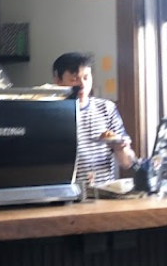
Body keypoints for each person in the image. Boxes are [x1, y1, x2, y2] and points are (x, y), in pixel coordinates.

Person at [52, 52, 135, 185]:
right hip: (66, 192)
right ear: (58, 81)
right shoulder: (51, 112)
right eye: (74, 79)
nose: (82, 84)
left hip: (104, 191)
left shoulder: (106, 108)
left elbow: (127, 163)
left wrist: (120, 148)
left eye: (86, 78)